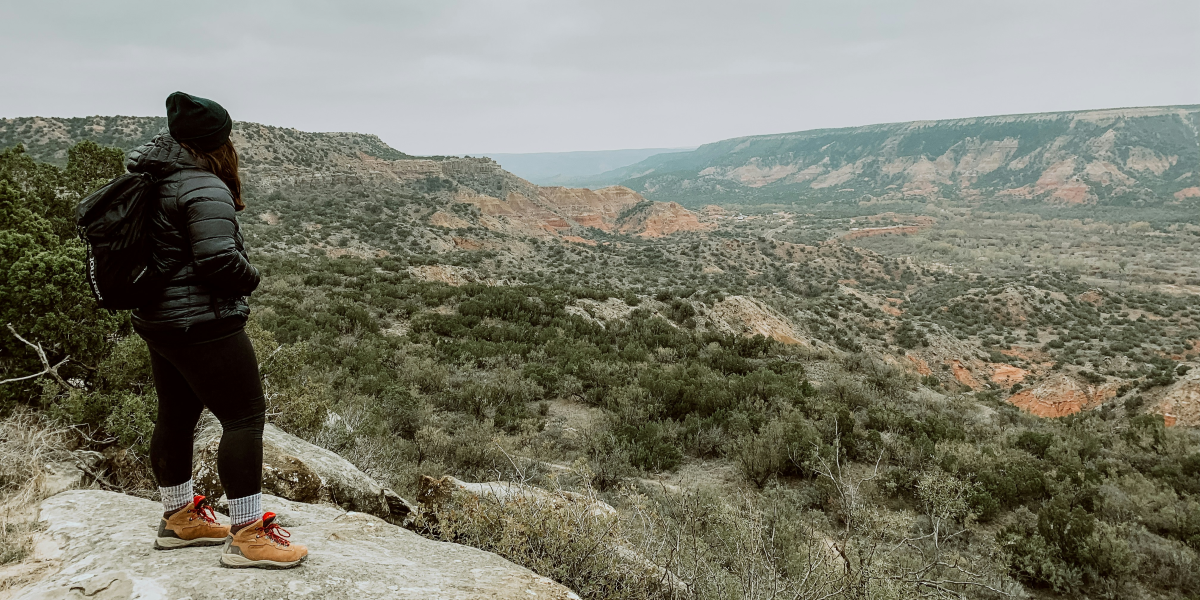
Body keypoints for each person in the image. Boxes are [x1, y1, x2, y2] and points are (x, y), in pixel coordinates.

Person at [127, 91, 307, 568]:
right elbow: (217, 261)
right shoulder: (204, 186)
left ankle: (179, 518)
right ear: (218, 142)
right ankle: (249, 536)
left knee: (176, 414)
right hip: (203, 322)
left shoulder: (152, 176)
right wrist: (253, 277)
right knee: (244, 418)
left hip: (158, 320)